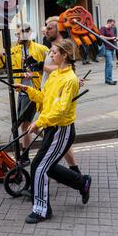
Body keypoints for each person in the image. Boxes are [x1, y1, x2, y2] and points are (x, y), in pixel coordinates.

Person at [15, 39, 92, 224]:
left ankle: (41, 210)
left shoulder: (70, 79)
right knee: (45, 166)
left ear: (64, 55)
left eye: (54, 52)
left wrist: (39, 123)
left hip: (61, 130)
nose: (51, 55)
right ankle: (82, 182)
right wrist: (27, 89)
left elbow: (60, 110)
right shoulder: (56, 74)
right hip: (52, 129)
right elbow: (44, 97)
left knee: (39, 167)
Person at [42, 16, 82, 174]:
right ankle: (73, 171)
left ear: (58, 28)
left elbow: (67, 70)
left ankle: (74, 176)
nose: (46, 30)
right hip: (48, 97)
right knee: (58, 142)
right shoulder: (51, 47)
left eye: (50, 28)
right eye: (46, 27)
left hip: (57, 103)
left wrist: (41, 66)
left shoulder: (62, 47)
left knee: (56, 142)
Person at [10, 23, 49, 167]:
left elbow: (50, 68)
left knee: (25, 124)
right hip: (22, 91)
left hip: (34, 91)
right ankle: (50, 139)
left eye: (19, 34)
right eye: (17, 34)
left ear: (28, 33)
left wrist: (32, 73)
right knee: (26, 125)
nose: (17, 37)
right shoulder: (14, 50)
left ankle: (25, 156)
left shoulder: (41, 49)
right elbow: (4, 65)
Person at [99, 19, 118, 85]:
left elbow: (112, 37)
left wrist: (115, 39)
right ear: (108, 23)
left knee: (108, 64)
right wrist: (111, 38)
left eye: (113, 25)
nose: (112, 26)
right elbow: (101, 36)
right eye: (112, 24)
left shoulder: (111, 29)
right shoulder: (103, 28)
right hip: (106, 48)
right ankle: (109, 80)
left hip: (112, 48)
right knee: (110, 64)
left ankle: (107, 79)